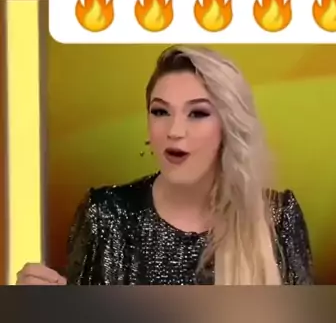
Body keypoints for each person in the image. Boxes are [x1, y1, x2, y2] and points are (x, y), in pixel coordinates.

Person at [17, 45, 314, 285]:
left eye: (197, 113)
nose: (174, 131)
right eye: (160, 111)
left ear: (230, 126)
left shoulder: (277, 217)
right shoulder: (105, 215)